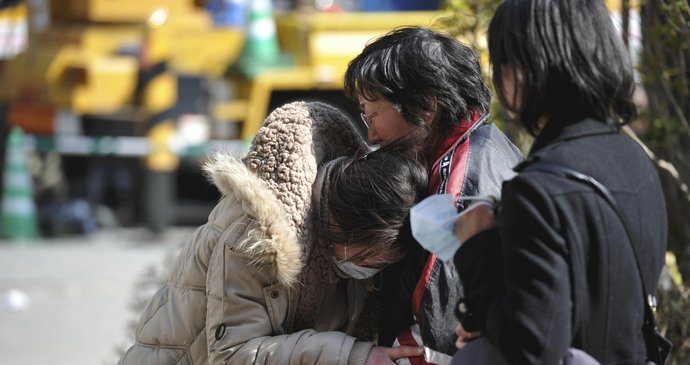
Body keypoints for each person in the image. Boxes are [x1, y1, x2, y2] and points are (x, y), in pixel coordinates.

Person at [117, 101, 428, 365]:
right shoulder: (256, 238)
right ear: (348, 230)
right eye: (370, 257)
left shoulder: (333, 238)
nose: (371, 268)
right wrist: (351, 356)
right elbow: (234, 354)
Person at [452, 0, 668, 364]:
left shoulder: (537, 191)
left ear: (523, 71)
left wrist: (476, 246)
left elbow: (534, 347)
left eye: (503, 63)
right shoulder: (635, 159)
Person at [344, 26, 524, 361]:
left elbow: (437, 324)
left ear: (427, 107)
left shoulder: (459, 186)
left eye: (373, 113)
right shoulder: (486, 144)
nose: (369, 133)